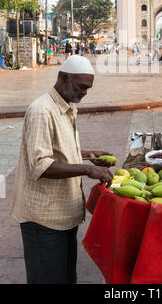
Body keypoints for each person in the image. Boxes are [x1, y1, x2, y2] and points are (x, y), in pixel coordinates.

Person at [10, 55, 114, 284]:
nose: (85, 93)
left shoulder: (67, 106)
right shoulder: (41, 111)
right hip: (43, 219)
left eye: (88, 88)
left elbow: (58, 148)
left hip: (63, 215)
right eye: (81, 86)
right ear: (64, 78)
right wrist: (86, 170)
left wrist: (89, 155)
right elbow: (40, 164)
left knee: (66, 277)